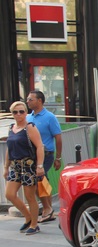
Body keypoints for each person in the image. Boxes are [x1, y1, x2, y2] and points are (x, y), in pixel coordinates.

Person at [3, 101, 46, 235]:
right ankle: (28, 217)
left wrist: (39, 166)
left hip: (28, 165)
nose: (19, 114)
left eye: (21, 111)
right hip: (15, 165)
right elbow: (9, 148)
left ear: (26, 113)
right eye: (15, 112)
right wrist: (6, 167)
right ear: (12, 114)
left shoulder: (30, 127)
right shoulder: (11, 128)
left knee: (30, 196)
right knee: (9, 194)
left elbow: (39, 146)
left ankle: (34, 223)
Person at [25, 90, 62, 223]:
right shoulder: (28, 117)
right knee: (41, 181)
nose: (27, 102)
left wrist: (58, 158)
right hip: (32, 155)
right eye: (28, 99)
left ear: (39, 101)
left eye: (30, 99)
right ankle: (48, 209)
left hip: (46, 154)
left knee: (39, 180)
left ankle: (47, 208)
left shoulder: (50, 117)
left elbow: (58, 137)